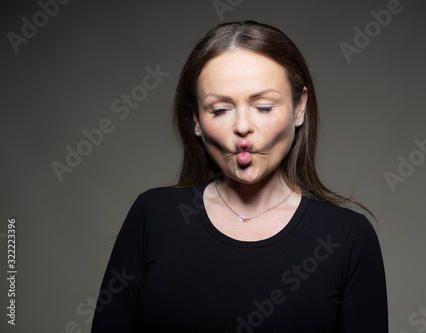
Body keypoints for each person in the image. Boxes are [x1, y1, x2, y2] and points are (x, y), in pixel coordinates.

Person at [91, 20, 388, 332]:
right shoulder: (153, 218)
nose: (242, 127)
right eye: (219, 110)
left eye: (263, 106)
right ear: (196, 119)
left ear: (299, 108)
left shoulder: (347, 238)